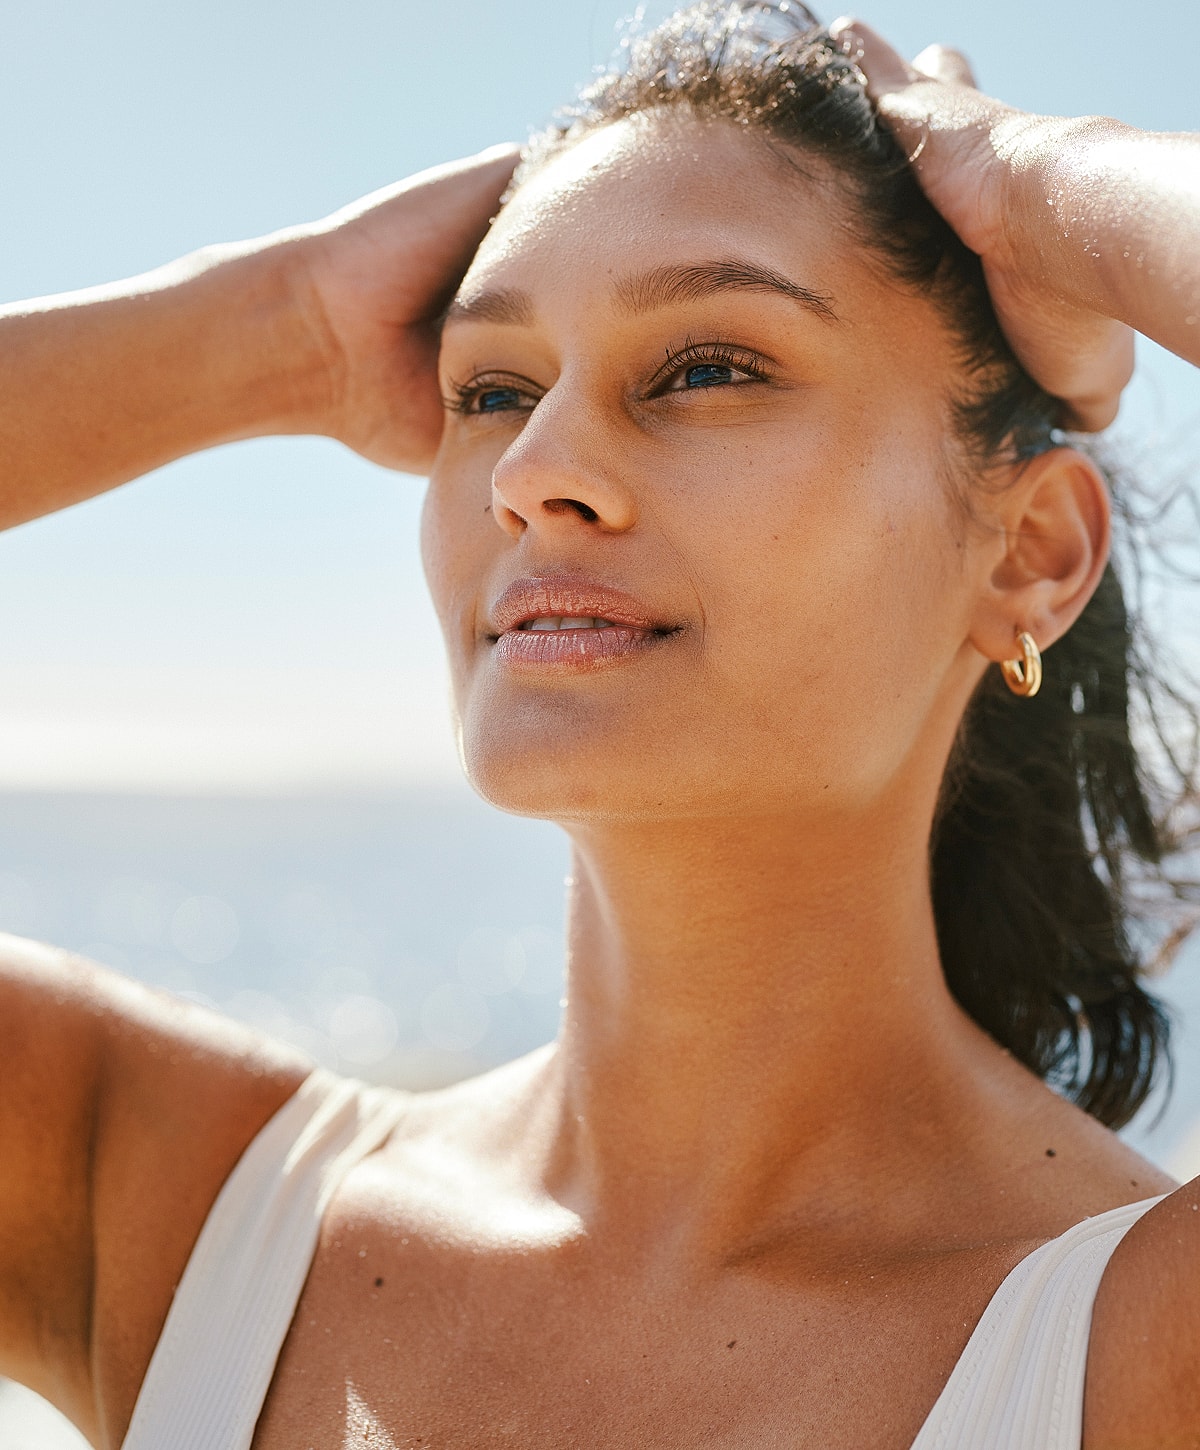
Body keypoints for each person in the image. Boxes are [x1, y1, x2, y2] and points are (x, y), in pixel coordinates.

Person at [1, 2, 1198, 1445]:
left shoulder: (1138, 1348)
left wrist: (1045, 185)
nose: (533, 470)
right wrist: (279, 332)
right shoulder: (164, 1212)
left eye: (707, 368)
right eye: (490, 389)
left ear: (1030, 553)